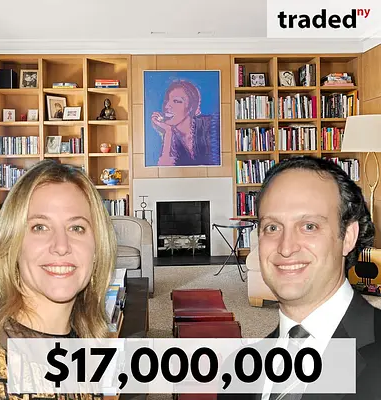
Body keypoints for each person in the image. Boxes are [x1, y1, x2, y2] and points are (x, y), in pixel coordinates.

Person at [219, 156, 381, 399]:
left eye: (309, 226)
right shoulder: (237, 370)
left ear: (348, 237)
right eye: (272, 227)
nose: (286, 248)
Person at [0, 159, 116, 398]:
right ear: (12, 244)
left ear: (97, 249)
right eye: (40, 227)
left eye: (77, 228)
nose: (61, 246)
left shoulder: (88, 351)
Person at [151, 80, 220, 166]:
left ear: (191, 107)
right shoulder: (170, 136)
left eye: (176, 101)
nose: (167, 106)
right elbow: (164, 168)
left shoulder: (211, 125)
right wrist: (168, 132)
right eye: (166, 101)